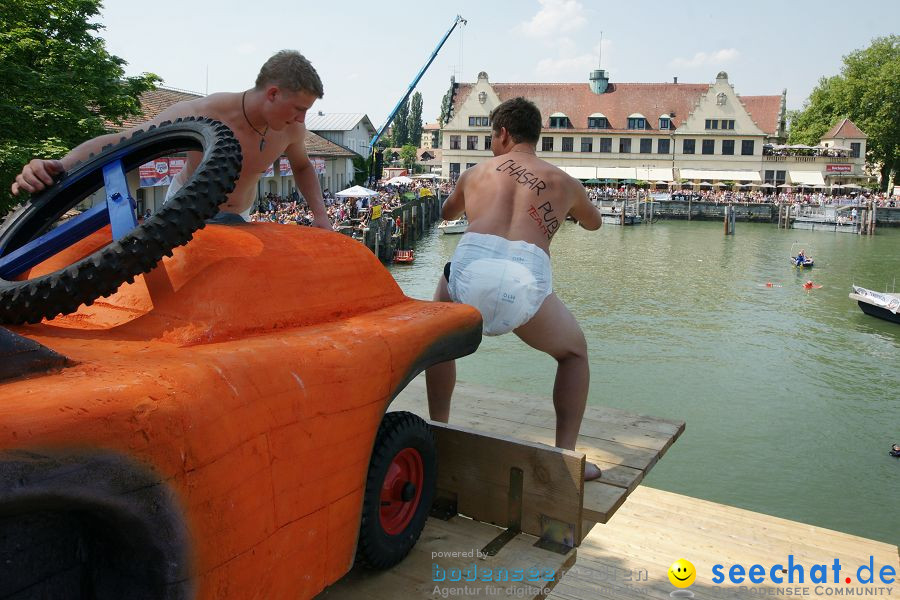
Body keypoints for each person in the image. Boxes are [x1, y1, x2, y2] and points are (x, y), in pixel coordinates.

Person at [425, 97, 604, 481]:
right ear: (536, 136)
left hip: (471, 267)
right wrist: (567, 211)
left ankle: (439, 432)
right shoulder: (564, 182)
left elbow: (446, 213)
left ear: (503, 133)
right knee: (574, 354)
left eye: (492, 135)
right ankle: (564, 458)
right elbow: (595, 224)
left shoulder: (475, 173)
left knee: (438, 338)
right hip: (526, 275)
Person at [11, 50, 331, 230]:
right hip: (184, 210)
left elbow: (302, 167)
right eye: (299, 109)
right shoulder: (202, 112)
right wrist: (59, 165)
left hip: (240, 217)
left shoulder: (291, 130)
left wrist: (320, 215)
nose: (302, 119)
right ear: (273, 94)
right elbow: (122, 142)